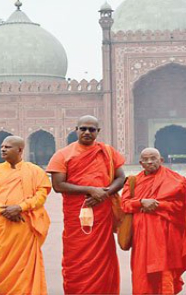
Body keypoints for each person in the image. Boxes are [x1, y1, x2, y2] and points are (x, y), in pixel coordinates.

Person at [47, 115, 126, 294]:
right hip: (77, 216)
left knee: (103, 256)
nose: (87, 132)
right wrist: (90, 190)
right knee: (76, 257)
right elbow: (58, 185)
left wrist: (104, 193)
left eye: (92, 129)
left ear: (98, 132)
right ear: (76, 130)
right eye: (83, 129)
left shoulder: (108, 151)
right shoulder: (63, 154)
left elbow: (121, 178)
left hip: (102, 213)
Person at [0, 136, 51, 295]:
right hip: (1, 228)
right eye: (2, 146)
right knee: (2, 269)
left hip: (25, 226)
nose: (3, 149)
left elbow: (41, 195)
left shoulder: (34, 171)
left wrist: (20, 207)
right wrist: (5, 210)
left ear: (20, 150)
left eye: (8, 147)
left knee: (25, 267)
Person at [121, 148, 186, 295]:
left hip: (165, 236)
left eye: (153, 158)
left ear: (161, 160)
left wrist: (158, 205)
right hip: (142, 237)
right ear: (140, 163)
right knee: (141, 274)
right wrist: (141, 202)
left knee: (164, 274)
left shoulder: (175, 180)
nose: (149, 162)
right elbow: (125, 204)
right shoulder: (133, 181)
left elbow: (183, 207)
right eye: (145, 160)